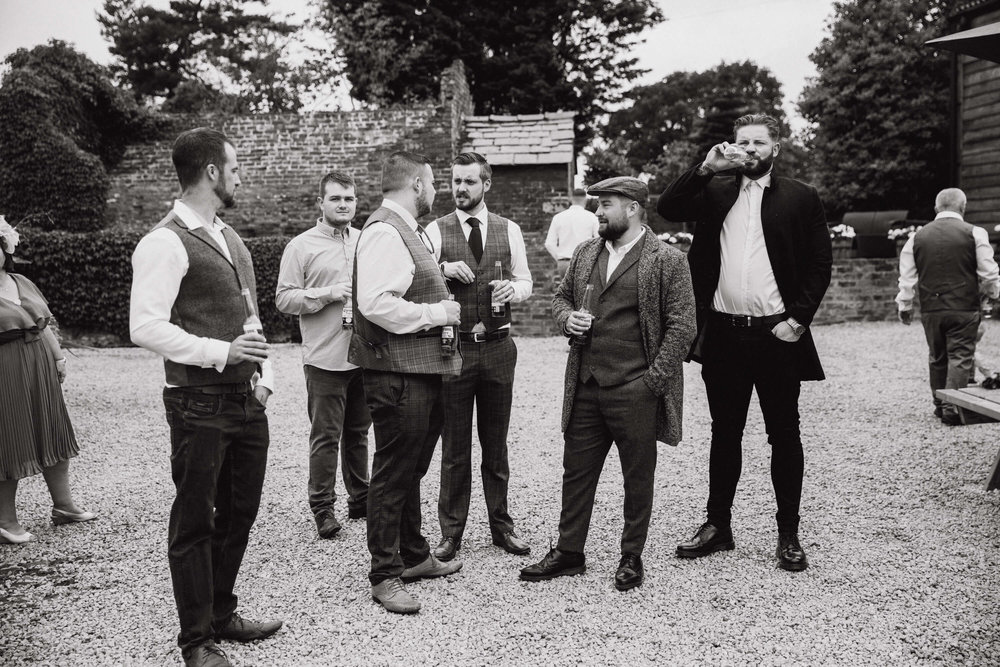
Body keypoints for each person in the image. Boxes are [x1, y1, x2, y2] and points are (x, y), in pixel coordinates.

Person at [130, 128, 282, 667]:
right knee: (196, 522)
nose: (240, 176)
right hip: (197, 405)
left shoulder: (229, 237)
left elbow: (252, 321)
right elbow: (144, 327)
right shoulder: (163, 241)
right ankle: (196, 641)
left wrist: (266, 378)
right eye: (235, 167)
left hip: (247, 400)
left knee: (240, 513)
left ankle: (221, 613)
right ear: (212, 172)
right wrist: (223, 352)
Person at [657, 113, 832, 573]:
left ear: (775, 147)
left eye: (759, 142)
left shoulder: (801, 197)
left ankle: (788, 534)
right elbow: (668, 208)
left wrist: (797, 320)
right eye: (743, 142)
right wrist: (706, 167)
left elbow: (819, 264)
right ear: (733, 146)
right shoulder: (715, 189)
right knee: (724, 433)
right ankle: (718, 526)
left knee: (784, 433)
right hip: (725, 334)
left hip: (779, 335)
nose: (750, 149)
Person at [519, 176, 696, 591]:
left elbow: (683, 325)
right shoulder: (585, 252)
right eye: (599, 204)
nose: (598, 212)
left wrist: (652, 382)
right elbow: (559, 298)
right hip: (586, 384)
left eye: (607, 205)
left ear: (633, 208)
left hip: (636, 387)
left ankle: (631, 556)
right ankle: (569, 552)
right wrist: (567, 319)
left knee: (638, 476)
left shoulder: (668, 260)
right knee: (576, 472)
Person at [349, 151, 463, 614]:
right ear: (416, 184)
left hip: (419, 370)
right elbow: (375, 303)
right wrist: (438, 312)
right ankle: (384, 573)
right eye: (434, 183)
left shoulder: (406, 230)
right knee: (394, 472)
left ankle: (414, 557)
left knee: (411, 469)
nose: (437, 192)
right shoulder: (384, 230)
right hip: (397, 375)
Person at [424, 152, 533, 563]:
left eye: (470, 182)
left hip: (499, 349)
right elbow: (418, 277)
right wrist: (443, 268)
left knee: (496, 442)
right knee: (454, 447)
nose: (461, 189)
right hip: (453, 350)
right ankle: (451, 533)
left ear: (486, 185)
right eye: (456, 181)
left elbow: (526, 280)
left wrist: (513, 291)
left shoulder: (510, 230)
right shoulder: (436, 230)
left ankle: (501, 526)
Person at [276, 170, 371, 538]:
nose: (343, 205)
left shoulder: (366, 241)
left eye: (348, 199)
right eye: (335, 199)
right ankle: (322, 508)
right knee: (325, 435)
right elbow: (284, 298)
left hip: (363, 354)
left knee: (359, 433)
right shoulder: (300, 246)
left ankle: (360, 498)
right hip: (324, 358)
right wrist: (327, 293)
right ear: (321, 203)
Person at [0, 218, 95, 545]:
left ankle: (64, 506)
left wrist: (58, 357)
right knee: (10, 439)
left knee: (52, 431)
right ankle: (5, 521)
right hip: (5, 368)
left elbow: (43, 325)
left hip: (39, 361)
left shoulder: (21, 281)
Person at [896, 188, 1000, 425]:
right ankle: (952, 406)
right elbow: (989, 272)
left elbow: (907, 277)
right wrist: (994, 294)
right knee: (960, 356)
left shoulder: (917, 237)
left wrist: (905, 305)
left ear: (936, 209)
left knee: (937, 356)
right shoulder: (975, 233)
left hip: (932, 308)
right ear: (963, 207)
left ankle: (939, 403)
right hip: (964, 307)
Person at [545, 188, 599, 278]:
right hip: (584, 261)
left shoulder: (558, 217)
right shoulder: (591, 217)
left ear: (571, 199)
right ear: (585, 199)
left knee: (566, 291)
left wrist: (559, 257)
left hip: (564, 262)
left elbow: (549, 244)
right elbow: (599, 240)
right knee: (583, 291)